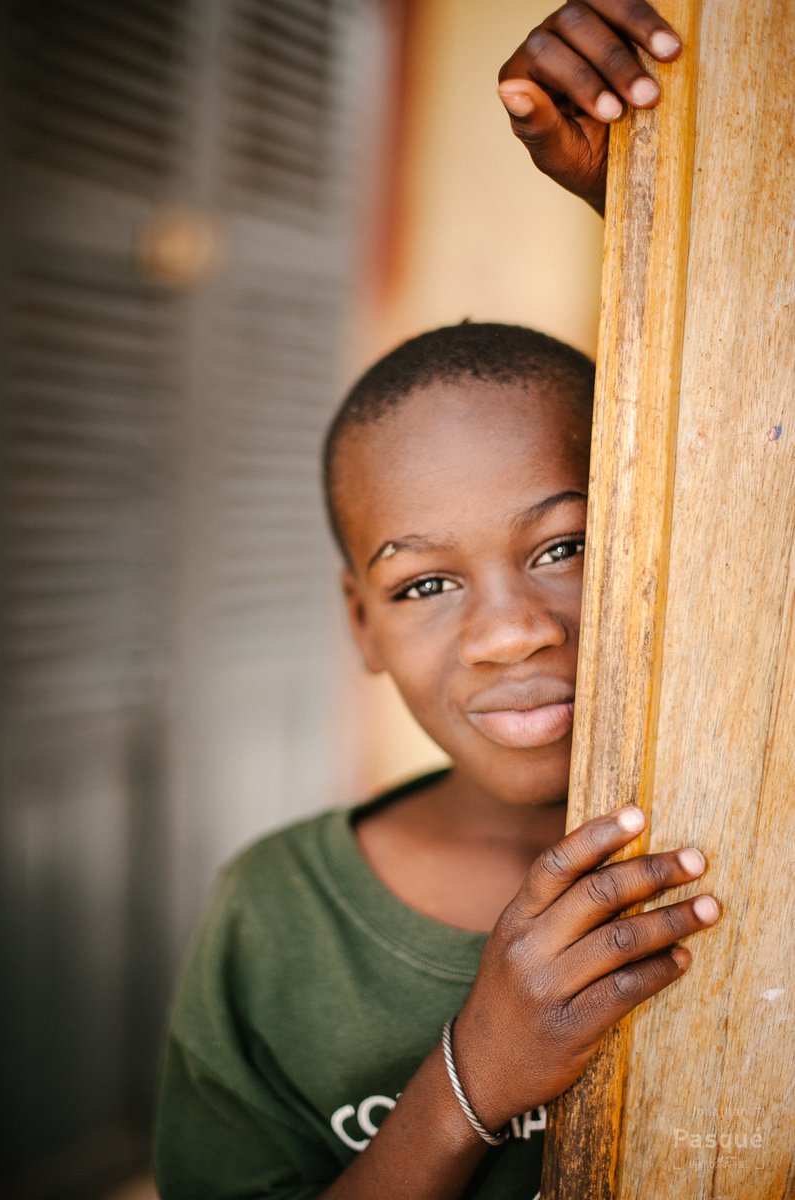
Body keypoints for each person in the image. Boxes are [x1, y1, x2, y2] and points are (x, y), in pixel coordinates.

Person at [154, 5, 719, 1198]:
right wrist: (472, 1075)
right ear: (360, 624)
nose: (512, 627)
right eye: (422, 582)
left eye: (564, 547)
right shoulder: (278, 919)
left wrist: (656, 205)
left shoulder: (755, 812)